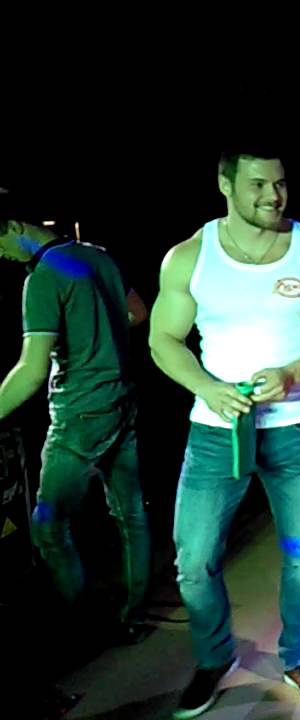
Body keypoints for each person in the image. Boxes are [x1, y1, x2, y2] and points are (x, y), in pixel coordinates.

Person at [149, 139, 300, 718]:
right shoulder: (189, 257)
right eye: (258, 185)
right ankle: (213, 656)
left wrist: (294, 372)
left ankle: (298, 657)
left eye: (280, 183)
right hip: (216, 431)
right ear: (225, 185)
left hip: (296, 429)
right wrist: (207, 386)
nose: (273, 196)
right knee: (194, 560)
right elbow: (162, 339)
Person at [0, 207, 152, 647]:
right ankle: (132, 616)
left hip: (79, 415)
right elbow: (137, 313)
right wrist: (95, 336)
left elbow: (31, 371)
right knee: (131, 515)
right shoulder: (97, 256)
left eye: (0, 244)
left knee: (48, 526)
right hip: (121, 401)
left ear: (14, 226)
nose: (3, 255)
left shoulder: (43, 277)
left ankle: (86, 628)